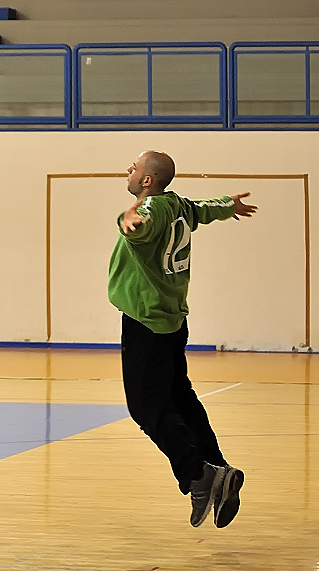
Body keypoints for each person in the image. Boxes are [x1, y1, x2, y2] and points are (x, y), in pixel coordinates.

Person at [108, 150, 257, 528]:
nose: (129, 169)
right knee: (180, 397)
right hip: (173, 320)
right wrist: (227, 205)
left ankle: (197, 475)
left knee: (146, 407)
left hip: (147, 320)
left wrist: (131, 218)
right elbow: (202, 208)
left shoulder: (153, 210)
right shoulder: (178, 205)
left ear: (147, 181)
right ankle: (219, 469)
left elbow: (142, 223)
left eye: (135, 167)